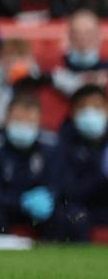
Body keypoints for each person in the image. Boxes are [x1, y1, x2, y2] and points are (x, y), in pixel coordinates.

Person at [0, 91, 57, 235]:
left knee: (67, 215)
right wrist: (20, 202)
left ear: (39, 121)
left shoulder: (51, 145)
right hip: (0, 206)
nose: (24, 126)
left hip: (37, 209)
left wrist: (50, 196)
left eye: (30, 121)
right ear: (6, 119)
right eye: (19, 120)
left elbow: (61, 183)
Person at [51, 85, 107, 240]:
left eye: (97, 106)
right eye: (83, 108)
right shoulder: (62, 143)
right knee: (71, 216)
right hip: (83, 207)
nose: (90, 113)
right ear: (73, 113)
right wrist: (101, 175)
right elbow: (69, 192)